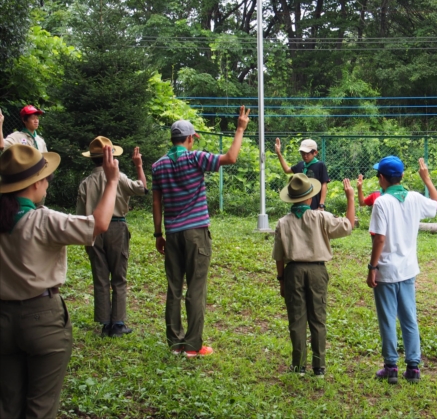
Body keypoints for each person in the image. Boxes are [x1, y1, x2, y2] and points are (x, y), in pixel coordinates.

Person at [0, 144, 119, 418]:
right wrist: (111, 181)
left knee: (7, 404)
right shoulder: (43, 220)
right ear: (36, 183)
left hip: (3, 320)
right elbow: (99, 223)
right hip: (43, 320)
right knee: (40, 406)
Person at [152, 106, 250, 358]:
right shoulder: (195, 158)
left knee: (174, 288)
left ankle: (175, 343)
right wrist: (239, 129)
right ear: (188, 139)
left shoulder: (158, 166)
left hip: (172, 234)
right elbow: (230, 158)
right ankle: (193, 345)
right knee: (196, 287)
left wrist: (158, 234)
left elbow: (156, 201)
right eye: (192, 139)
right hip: (196, 233)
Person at [368, 156, 437, 384]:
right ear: (401, 177)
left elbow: (379, 238)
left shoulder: (381, 202)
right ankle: (413, 367)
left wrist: (372, 266)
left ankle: (391, 366)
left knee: (387, 319)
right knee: (409, 318)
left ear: (382, 178)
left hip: (387, 270)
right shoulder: (414, 198)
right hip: (408, 269)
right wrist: (427, 179)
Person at [273, 174, 354, 377]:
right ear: (310, 198)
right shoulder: (321, 217)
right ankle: (319, 367)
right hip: (317, 271)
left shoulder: (283, 223)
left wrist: (281, 280)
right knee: (318, 318)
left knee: (297, 319)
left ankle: (298, 365)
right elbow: (348, 226)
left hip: (293, 272)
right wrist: (350, 198)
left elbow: (279, 256)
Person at [76, 137, 148, 337]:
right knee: (119, 277)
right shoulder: (120, 177)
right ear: (111, 156)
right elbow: (142, 189)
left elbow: (80, 215)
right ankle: (117, 323)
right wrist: (139, 166)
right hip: (116, 228)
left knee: (100, 278)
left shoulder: (85, 183)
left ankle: (105, 322)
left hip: (92, 230)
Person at [274, 137, 329, 210]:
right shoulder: (300, 165)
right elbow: (287, 170)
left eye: (307, 153)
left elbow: (324, 184)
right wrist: (279, 153)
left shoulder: (320, 165)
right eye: (302, 153)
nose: (305, 156)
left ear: (315, 153)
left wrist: (321, 204)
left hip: (314, 206)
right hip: (299, 206)